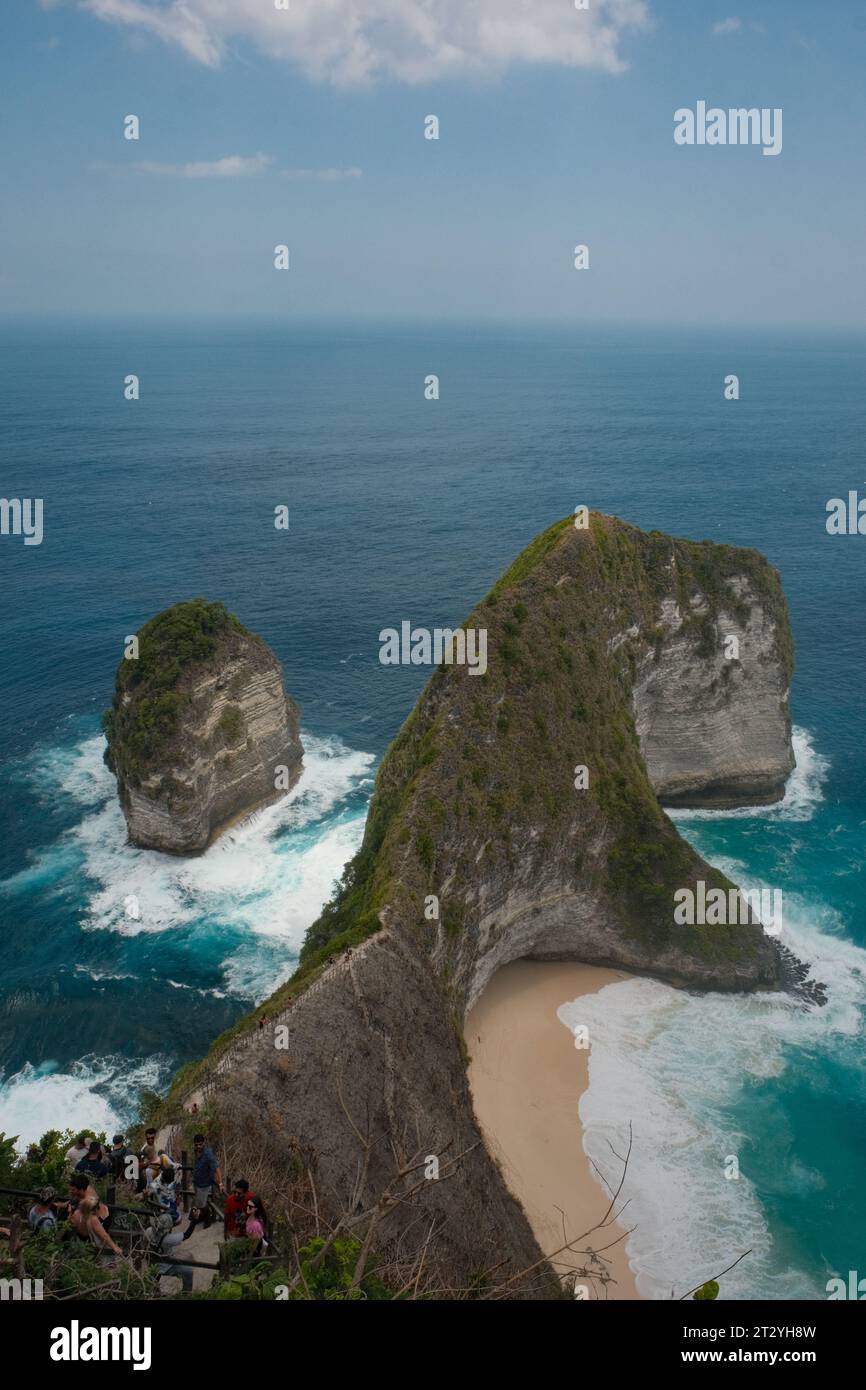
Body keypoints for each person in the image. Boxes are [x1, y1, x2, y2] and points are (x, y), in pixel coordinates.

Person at [146, 1207, 200, 1293]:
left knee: (154, 1278)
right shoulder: (168, 1239)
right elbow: (187, 1234)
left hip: (152, 1264)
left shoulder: (148, 1231)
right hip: (166, 1266)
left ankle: (154, 1289)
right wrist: (194, 1220)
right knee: (188, 1271)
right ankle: (186, 1293)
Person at [192, 1135, 222, 1226]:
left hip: (204, 1184)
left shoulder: (208, 1154)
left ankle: (208, 1220)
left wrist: (220, 1182)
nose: (198, 1147)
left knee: (202, 1204)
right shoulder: (196, 1152)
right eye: (196, 1145)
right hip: (197, 1182)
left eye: (200, 1144)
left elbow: (217, 1168)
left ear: (204, 1143)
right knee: (199, 1202)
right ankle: (203, 1217)